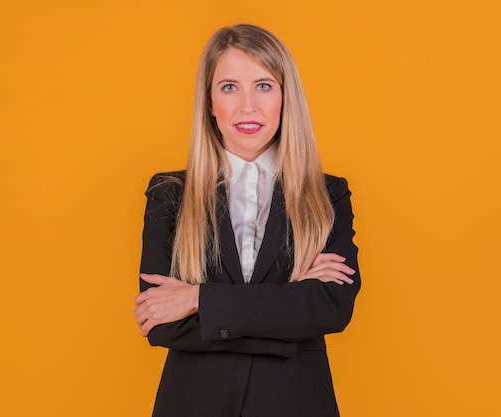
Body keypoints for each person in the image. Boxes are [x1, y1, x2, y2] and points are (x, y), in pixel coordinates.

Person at [134, 23, 361, 417]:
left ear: (285, 97)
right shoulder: (169, 194)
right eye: (228, 87)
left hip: (298, 405)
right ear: (209, 102)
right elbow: (161, 324)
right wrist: (288, 317)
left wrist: (197, 299)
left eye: (263, 85)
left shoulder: (328, 195)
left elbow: (330, 308)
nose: (247, 107)